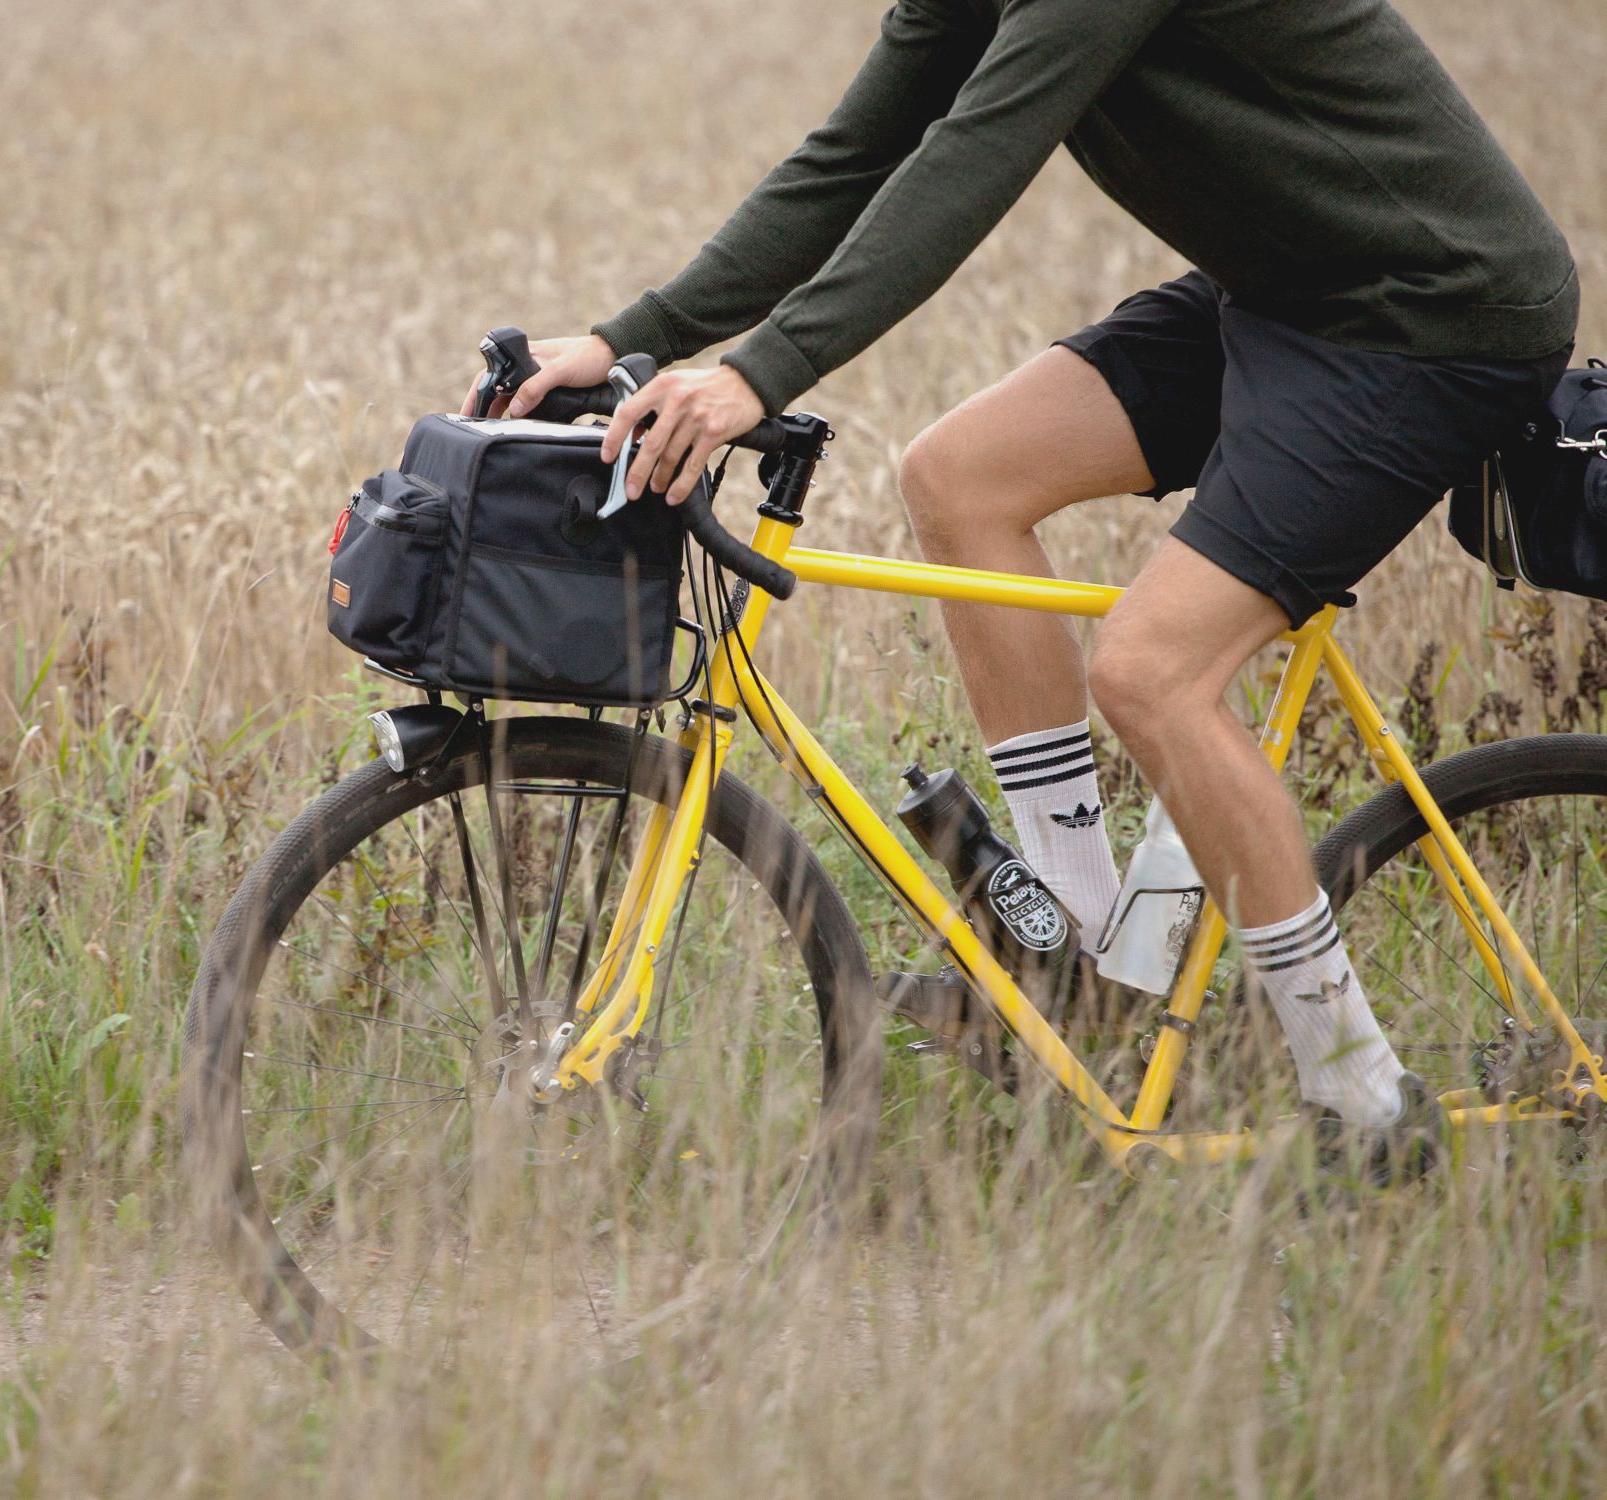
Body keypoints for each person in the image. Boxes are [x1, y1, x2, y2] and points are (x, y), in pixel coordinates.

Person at [472, 0, 1577, 1159]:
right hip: (1290, 291)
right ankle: (1083, 946)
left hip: (1435, 315)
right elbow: (855, 154)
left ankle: (1362, 1094)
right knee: (959, 477)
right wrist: (627, 338)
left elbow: (973, 156)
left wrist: (762, 370)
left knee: (1153, 673)